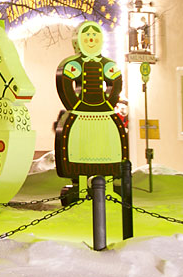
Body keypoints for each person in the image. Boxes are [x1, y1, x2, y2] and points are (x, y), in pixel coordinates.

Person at [54, 20, 129, 178]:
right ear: (79, 42)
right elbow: (66, 86)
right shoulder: (73, 65)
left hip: (105, 116)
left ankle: (108, 178)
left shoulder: (107, 65)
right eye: (87, 38)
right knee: (77, 148)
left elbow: (115, 84)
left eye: (95, 38)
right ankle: (80, 181)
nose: (91, 42)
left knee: (109, 147)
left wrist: (108, 104)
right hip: (80, 116)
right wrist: (76, 105)